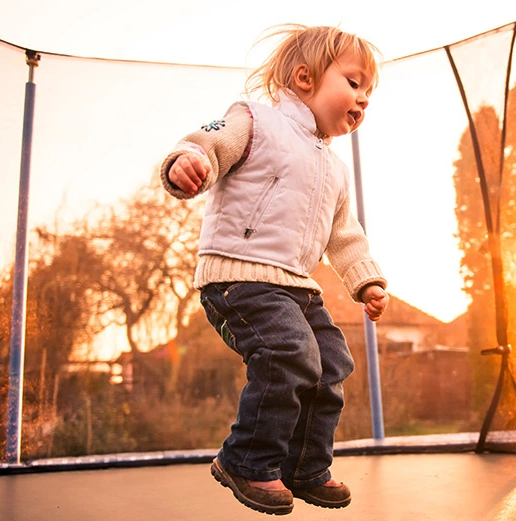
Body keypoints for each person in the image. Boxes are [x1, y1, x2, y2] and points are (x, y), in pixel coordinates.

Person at [159, 25, 389, 515]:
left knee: (330, 364)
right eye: (353, 82)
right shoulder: (254, 120)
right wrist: (187, 161)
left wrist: (365, 278)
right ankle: (246, 460)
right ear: (304, 78)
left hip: (296, 288)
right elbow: (206, 143)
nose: (362, 99)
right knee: (290, 352)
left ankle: (303, 466)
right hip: (239, 277)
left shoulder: (334, 169)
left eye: (368, 93)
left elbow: (343, 235)